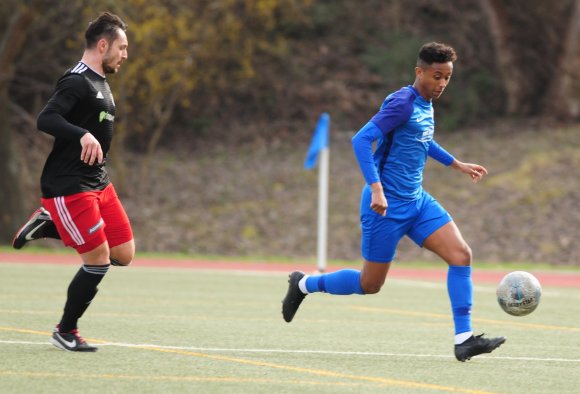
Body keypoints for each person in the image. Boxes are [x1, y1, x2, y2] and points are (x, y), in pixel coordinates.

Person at [282, 42, 506, 362]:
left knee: (461, 255)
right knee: (369, 284)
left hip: (417, 202)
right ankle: (303, 284)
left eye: (447, 77)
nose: (442, 83)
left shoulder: (427, 103)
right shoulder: (402, 102)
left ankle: (464, 339)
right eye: (436, 76)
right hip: (384, 207)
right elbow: (361, 139)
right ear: (420, 72)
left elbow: (422, 139)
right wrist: (376, 189)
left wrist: (457, 164)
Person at [12, 12, 132, 352]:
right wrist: (81, 135)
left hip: (99, 183)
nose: (125, 54)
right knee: (97, 261)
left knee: (123, 254)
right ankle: (65, 331)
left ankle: (50, 226)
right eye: (121, 47)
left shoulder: (102, 83)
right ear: (103, 44)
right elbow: (45, 118)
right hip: (70, 186)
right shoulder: (76, 79)